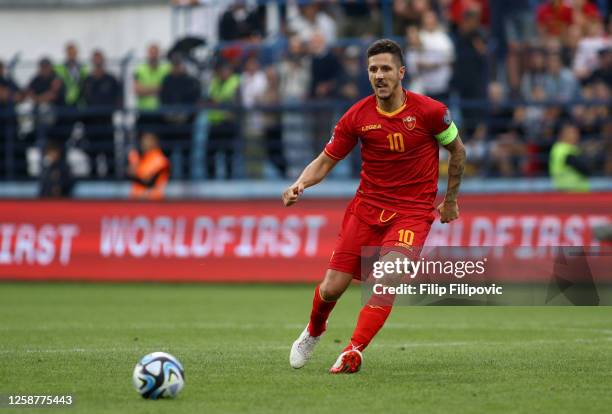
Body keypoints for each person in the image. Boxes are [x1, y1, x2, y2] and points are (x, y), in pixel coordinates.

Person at [283, 39, 466, 373]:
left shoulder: (431, 112)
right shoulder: (357, 116)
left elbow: (458, 151)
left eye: (385, 69)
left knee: (387, 278)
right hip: (367, 209)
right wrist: (301, 183)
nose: (379, 76)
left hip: (411, 213)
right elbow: (326, 161)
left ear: (401, 73)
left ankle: (354, 351)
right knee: (330, 288)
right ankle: (314, 331)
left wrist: (450, 200)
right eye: (373, 69)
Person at [81, 50, 123, 177]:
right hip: (91, 124)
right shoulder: (87, 80)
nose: (98, 62)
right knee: (92, 156)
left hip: (106, 123)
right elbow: (82, 99)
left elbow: (119, 100)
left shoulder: (111, 79)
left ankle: (111, 178)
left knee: (109, 154)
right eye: (96, 59)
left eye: (100, 59)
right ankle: (93, 178)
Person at [127, 131, 170, 200]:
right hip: (135, 200)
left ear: (155, 142)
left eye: (148, 140)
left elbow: (150, 183)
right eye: (143, 140)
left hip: (153, 202)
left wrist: (134, 175)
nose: (144, 143)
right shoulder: (138, 157)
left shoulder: (161, 160)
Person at [549, 123, 589, 192]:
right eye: (572, 133)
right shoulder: (563, 150)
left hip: (572, 191)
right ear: (563, 135)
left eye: (576, 132)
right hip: (570, 192)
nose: (576, 135)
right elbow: (584, 168)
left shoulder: (571, 149)